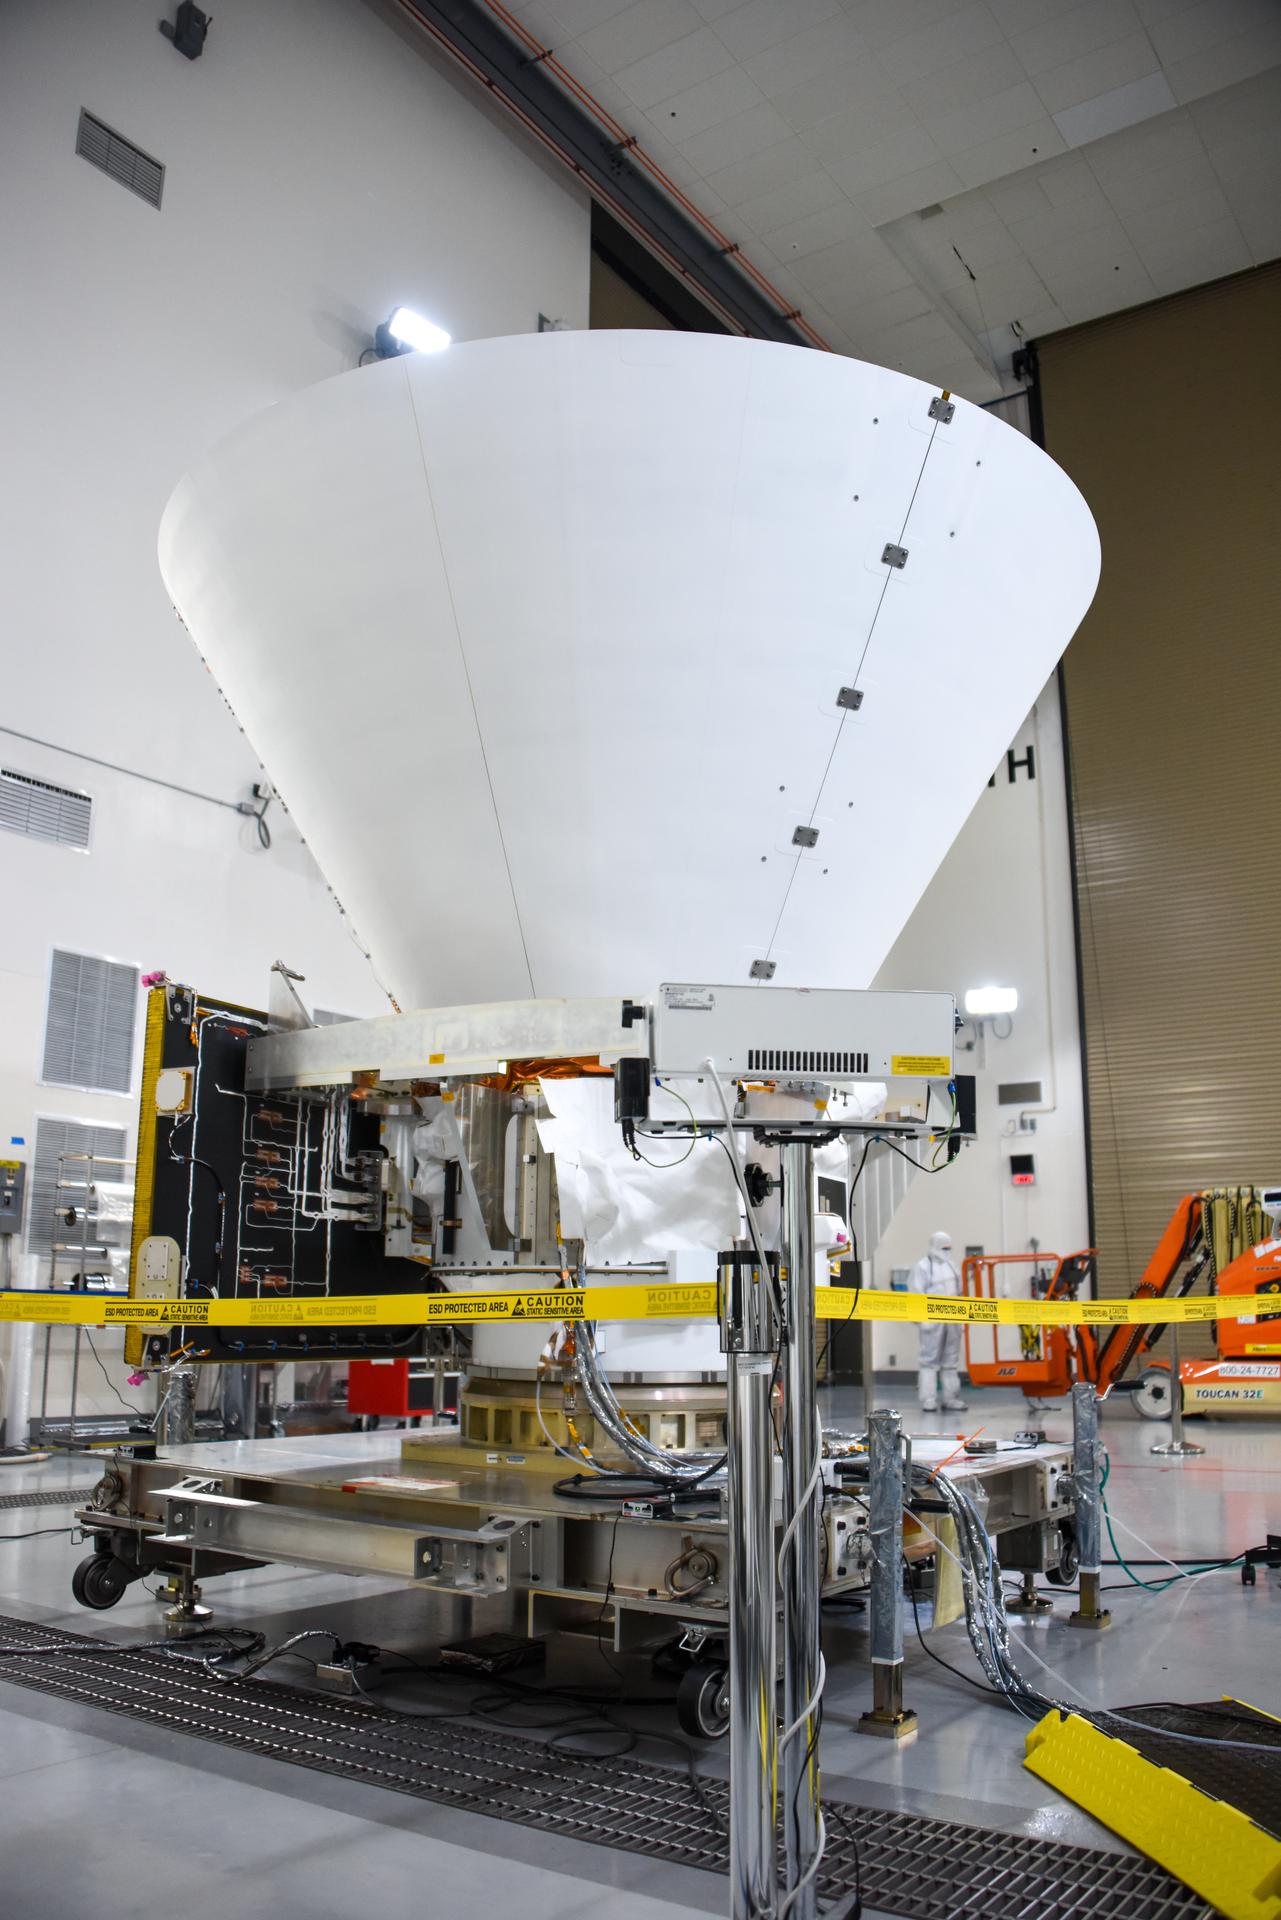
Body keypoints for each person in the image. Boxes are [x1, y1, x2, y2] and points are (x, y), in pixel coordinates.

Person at [909, 1229, 968, 1412]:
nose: (946, 1250)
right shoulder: (923, 1267)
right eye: (943, 1247)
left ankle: (951, 1398)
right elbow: (915, 1294)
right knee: (929, 1361)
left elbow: (960, 1293)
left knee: (951, 1360)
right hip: (932, 1321)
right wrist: (922, 1321)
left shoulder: (952, 1266)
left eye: (948, 1247)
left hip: (952, 1320)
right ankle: (928, 1399)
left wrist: (962, 1320)